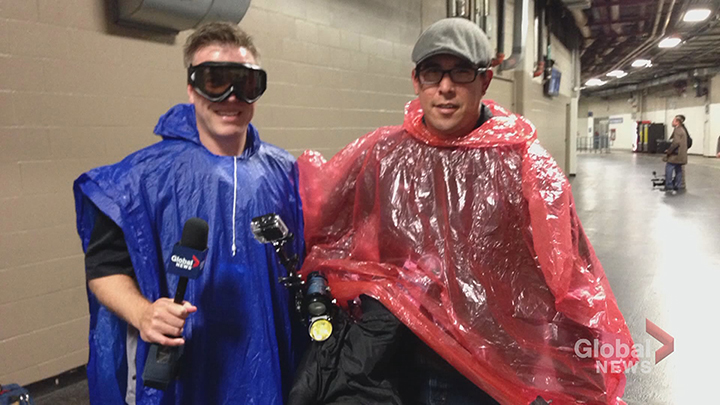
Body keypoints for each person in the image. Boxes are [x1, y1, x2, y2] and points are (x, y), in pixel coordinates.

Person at [293, 18, 634, 404]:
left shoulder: (525, 166)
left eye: (460, 72)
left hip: (489, 371)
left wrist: (585, 373)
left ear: (484, 81)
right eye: (432, 72)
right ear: (416, 81)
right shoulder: (383, 156)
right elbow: (324, 224)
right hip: (400, 361)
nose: (445, 87)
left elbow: (571, 276)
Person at [73, 22, 304, 405]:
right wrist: (143, 313)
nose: (231, 97)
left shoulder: (283, 172)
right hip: (187, 368)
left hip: (266, 365)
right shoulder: (141, 179)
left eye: (245, 83)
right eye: (215, 82)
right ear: (191, 88)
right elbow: (103, 267)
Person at [663, 115, 688, 191]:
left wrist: (669, 151)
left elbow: (676, 143)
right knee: (678, 169)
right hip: (681, 155)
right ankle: (679, 185)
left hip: (676, 155)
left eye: (673, 121)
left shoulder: (677, 130)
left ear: (677, 122)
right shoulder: (682, 130)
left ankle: (669, 185)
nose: (672, 122)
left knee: (669, 167)